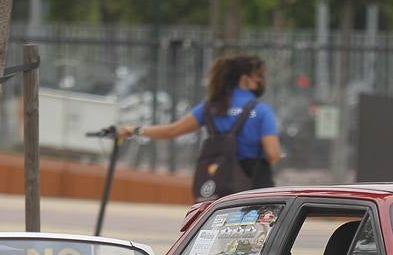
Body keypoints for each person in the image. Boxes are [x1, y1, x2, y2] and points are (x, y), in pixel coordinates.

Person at [118, 54, 282, 189]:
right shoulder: (261, 111)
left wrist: (134, 130)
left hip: (219, 181)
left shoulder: (211, 107)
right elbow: (273, 153)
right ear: (244, 78)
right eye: (258, 77)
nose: (260, 81)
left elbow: (172, 130)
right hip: (254, 183)